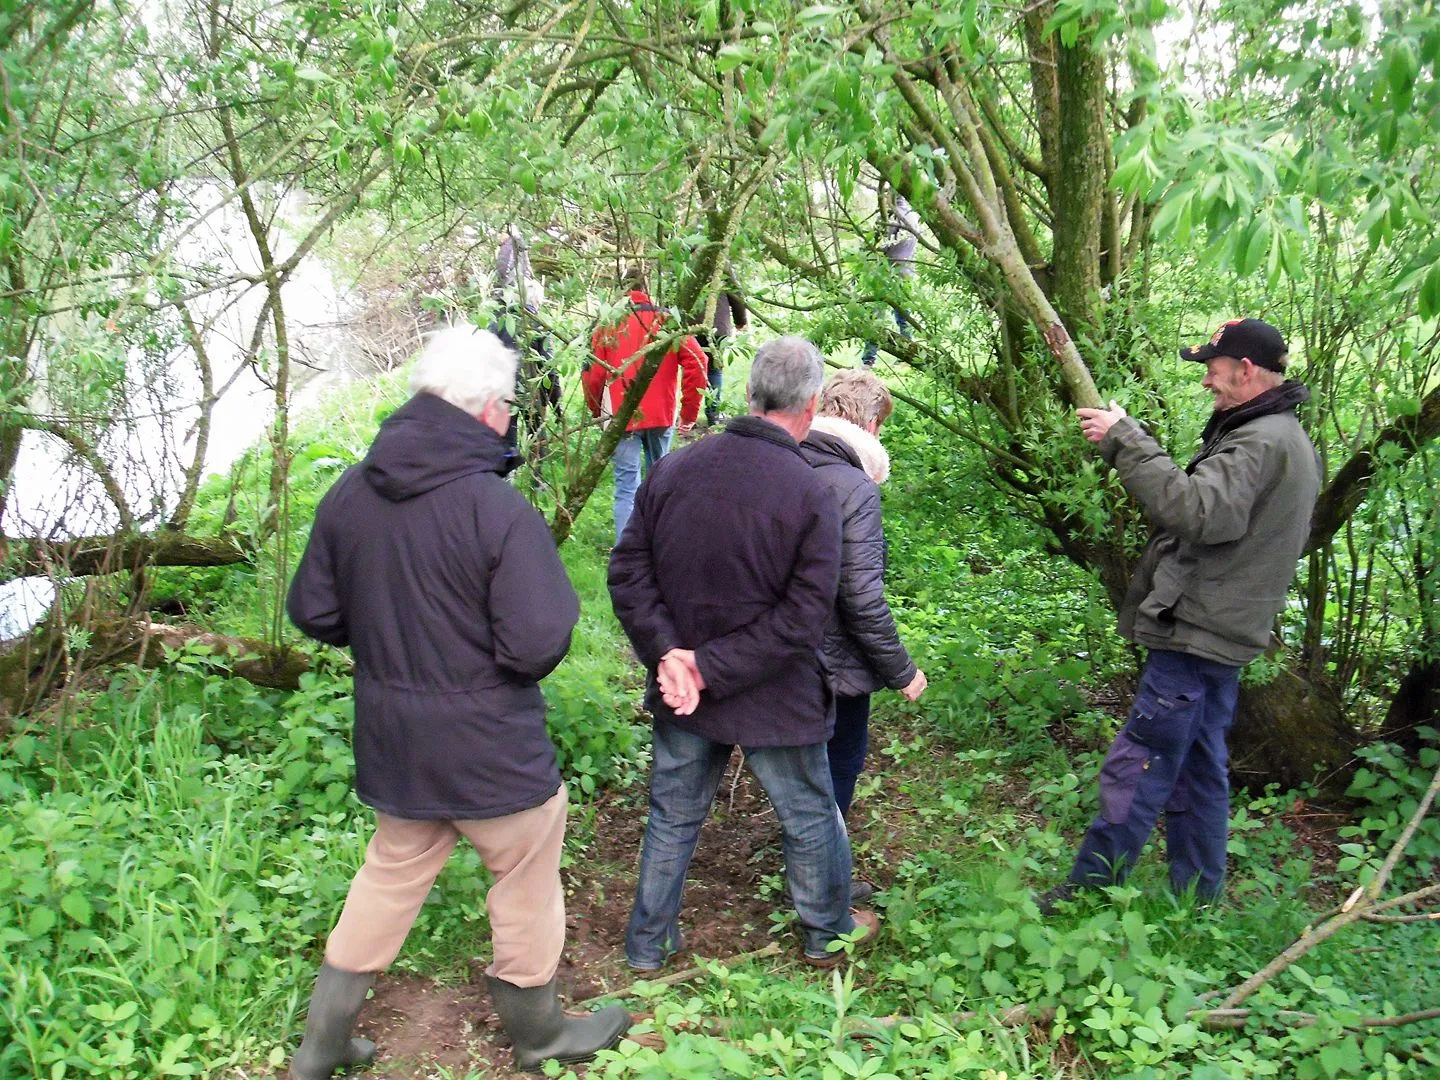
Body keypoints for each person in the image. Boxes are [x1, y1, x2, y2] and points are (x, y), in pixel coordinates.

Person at [285, 326, 629, 1078]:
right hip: (489, 743)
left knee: (390, 871)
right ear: (486, 409)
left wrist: (387, 638)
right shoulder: (493, 509)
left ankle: (321, 1045)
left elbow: (313, 610)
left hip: (395, 737)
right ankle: (539, 1033)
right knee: (526, 868)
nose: (509, 419)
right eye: (508, 407)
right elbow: (536, 641)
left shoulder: (348, 494)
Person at [608, 336, 881, 970]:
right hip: (771, 693)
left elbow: (627, 573)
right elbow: (803, 617)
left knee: (673, 816)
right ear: (812, 404)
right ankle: (827, 933)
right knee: (809, 816)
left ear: (750, 393)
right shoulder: (809, 492)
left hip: (686, 689)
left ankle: (648, 946)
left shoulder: (675, 469)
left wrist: (673, 656)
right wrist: (694, 664)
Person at [1040, 318, 1322, 914]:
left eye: (1212, 371)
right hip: (1222, 633)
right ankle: (1197, 900)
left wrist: (1127, 440)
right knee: (1198, 768)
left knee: (1139, 762)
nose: (1206, 383)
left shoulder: (1259, 441)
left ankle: (1087, 893)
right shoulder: (1281, 436)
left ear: (1246, 370)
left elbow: (1197, 512)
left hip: (1198, 634)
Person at [800, 370, 927, 889]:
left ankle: (804, 859)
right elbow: (860, 596)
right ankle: (822, 880)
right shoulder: (853, 486)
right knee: (841, 759)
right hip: (833, 659)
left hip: (778, 647)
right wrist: (903, 671)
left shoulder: (785, 461)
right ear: (871, 425)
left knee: (797, 765)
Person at [582, 267, 708, 542]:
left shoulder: (609, 323)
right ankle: (659, 546)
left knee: (626, 487)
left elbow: (593, 373)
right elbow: (699, 360)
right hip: (660, 413)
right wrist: (689, 412)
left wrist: (597, 410)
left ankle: (625, 554)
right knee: (659, 482)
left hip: (622, 416)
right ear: (647, 286)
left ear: (623, 289)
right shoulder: (666, 319)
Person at [490, 230, 560, 458]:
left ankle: (509, 471)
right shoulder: (535, 320)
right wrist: (556, 402)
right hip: (529, 387)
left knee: (506, 439)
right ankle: (537, 472)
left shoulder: (493, 320)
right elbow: (548, 363)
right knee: (536, 434)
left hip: (503, 390)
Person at [861, 196, 919, 367]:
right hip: (907, 271)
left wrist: (865, 251)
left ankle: (869, 359)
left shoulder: (890, 216)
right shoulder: (912, 215)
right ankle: (908, 354)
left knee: (876, 315)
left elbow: (880, 244)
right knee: (903, 315)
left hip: (887, 272)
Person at [696, 266, 748, 425]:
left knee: (693, 367)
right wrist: (741, 320)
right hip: (718, 326)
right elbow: (736, 294)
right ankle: (713, 413)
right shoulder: (722, 264)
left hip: (692, 325)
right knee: (714, 369)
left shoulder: (688, 260)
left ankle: (689, 414)